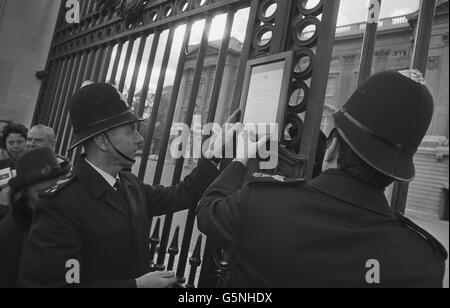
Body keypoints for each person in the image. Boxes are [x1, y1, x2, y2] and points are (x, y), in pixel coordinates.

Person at [196, 70, 448, 288]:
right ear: (395, 172)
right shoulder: (423, 262)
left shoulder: (260, 205)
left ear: (332, 147)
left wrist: (240, 159)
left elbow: (207, 209)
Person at [19, 83, 223, 288]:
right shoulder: (60, 205)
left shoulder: (129, 183)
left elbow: (181, 194)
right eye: (130, 131)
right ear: (102, 141)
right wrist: (136, 285)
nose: (140, 139)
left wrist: (214, 153)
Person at [0, 148, 71, 288]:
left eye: (57, 189)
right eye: (42, 192)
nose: (53, 197)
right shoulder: (7, 234)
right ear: (24, 195)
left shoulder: (72, 218)